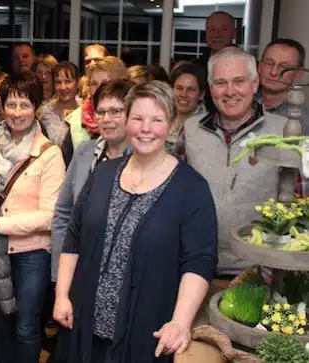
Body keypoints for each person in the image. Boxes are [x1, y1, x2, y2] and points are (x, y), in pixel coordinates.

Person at [54, 81, 218, 363]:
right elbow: (73, 237)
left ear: (170, 124)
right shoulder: (103, 174)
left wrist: (180, 322)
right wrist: (61, 296)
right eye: (138, 118)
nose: (145, 129)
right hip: (82, 325)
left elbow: (199, 261)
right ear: (127, 121)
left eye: (156, 120)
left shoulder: (192, 188)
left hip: (145, 332)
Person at [0, 71, 66, 363]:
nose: (18, 112)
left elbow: (50, 217)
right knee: (0, 321)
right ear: (1, 106)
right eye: (12, 104)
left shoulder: (49, 154)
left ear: (36, 107)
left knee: (25, 325)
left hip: (31, 253)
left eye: (25, 104)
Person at [183, 46, 287, 277]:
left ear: (255, 83)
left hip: (258, 268)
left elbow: (298, 205)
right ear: (210, 88)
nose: (230, 91)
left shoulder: (283, 132)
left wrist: (279, 267)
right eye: (220, 83)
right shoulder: (190, 130)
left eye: (239, 81)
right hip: (195, 265)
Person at [51, 79, 133, 283]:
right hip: (79, 268)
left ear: (132, 115)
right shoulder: (84, 153)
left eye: (116, 111)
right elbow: (63, 215)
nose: (106, 119)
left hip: (125, 274)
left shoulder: (142, 159)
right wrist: (60, 274)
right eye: (101, 111)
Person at [63, 57, 128, 159]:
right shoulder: (76, 120)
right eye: (94, 84)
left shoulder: (133, 119)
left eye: (105, 83)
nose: (99, 89)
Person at [258, 38, 309, 134]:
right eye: (269, 63)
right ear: (259, 67)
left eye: (284, 67)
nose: (273, 72)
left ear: (298, 74)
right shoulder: (241, 106)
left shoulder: (302, 122)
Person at [168, 61, 207, 155]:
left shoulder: (207, 128)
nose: (183, 94)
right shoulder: (161, 116)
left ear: (201, 94)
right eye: (179, 88)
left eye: (191, 89)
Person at [38, 61, 80, 147]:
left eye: (68, 81)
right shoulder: (44, 113)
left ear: (77, 83)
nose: (63, 87)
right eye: (58, 82)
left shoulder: (85, 111)